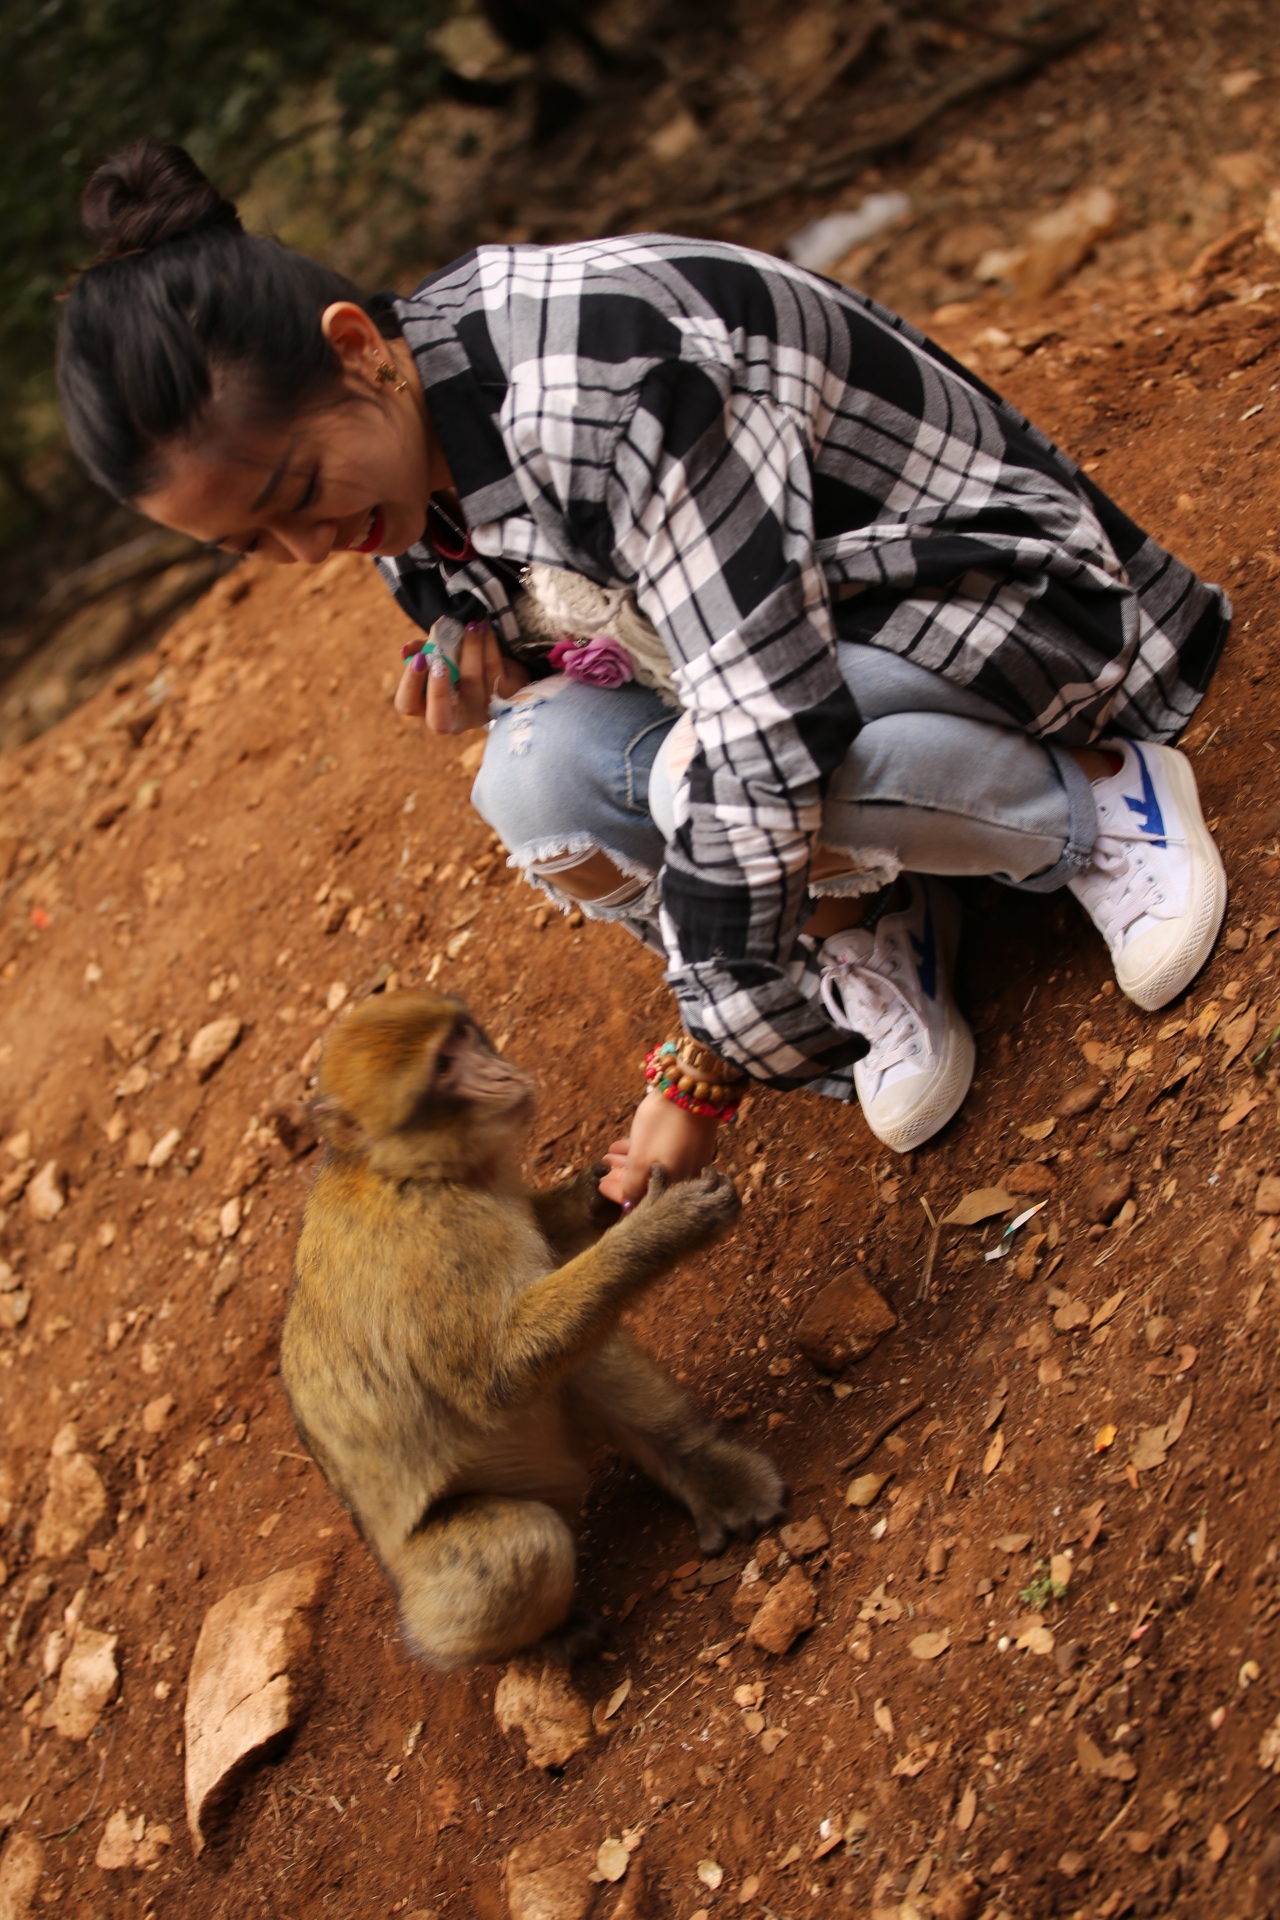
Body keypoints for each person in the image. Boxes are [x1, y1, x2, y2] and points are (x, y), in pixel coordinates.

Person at [57, 141, 1230, 1208]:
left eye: (296, 498)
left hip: (1005, 613)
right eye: (249, 548)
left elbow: (766, 713)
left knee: (696, 777)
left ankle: (1095, 802)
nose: (306, 550)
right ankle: (864, 918)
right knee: (529, 777)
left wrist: (699, 1068)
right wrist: (504, 693)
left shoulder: (595, 388)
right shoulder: (401, 462)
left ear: (358, 350)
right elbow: (613, 649)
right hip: (825, 661)